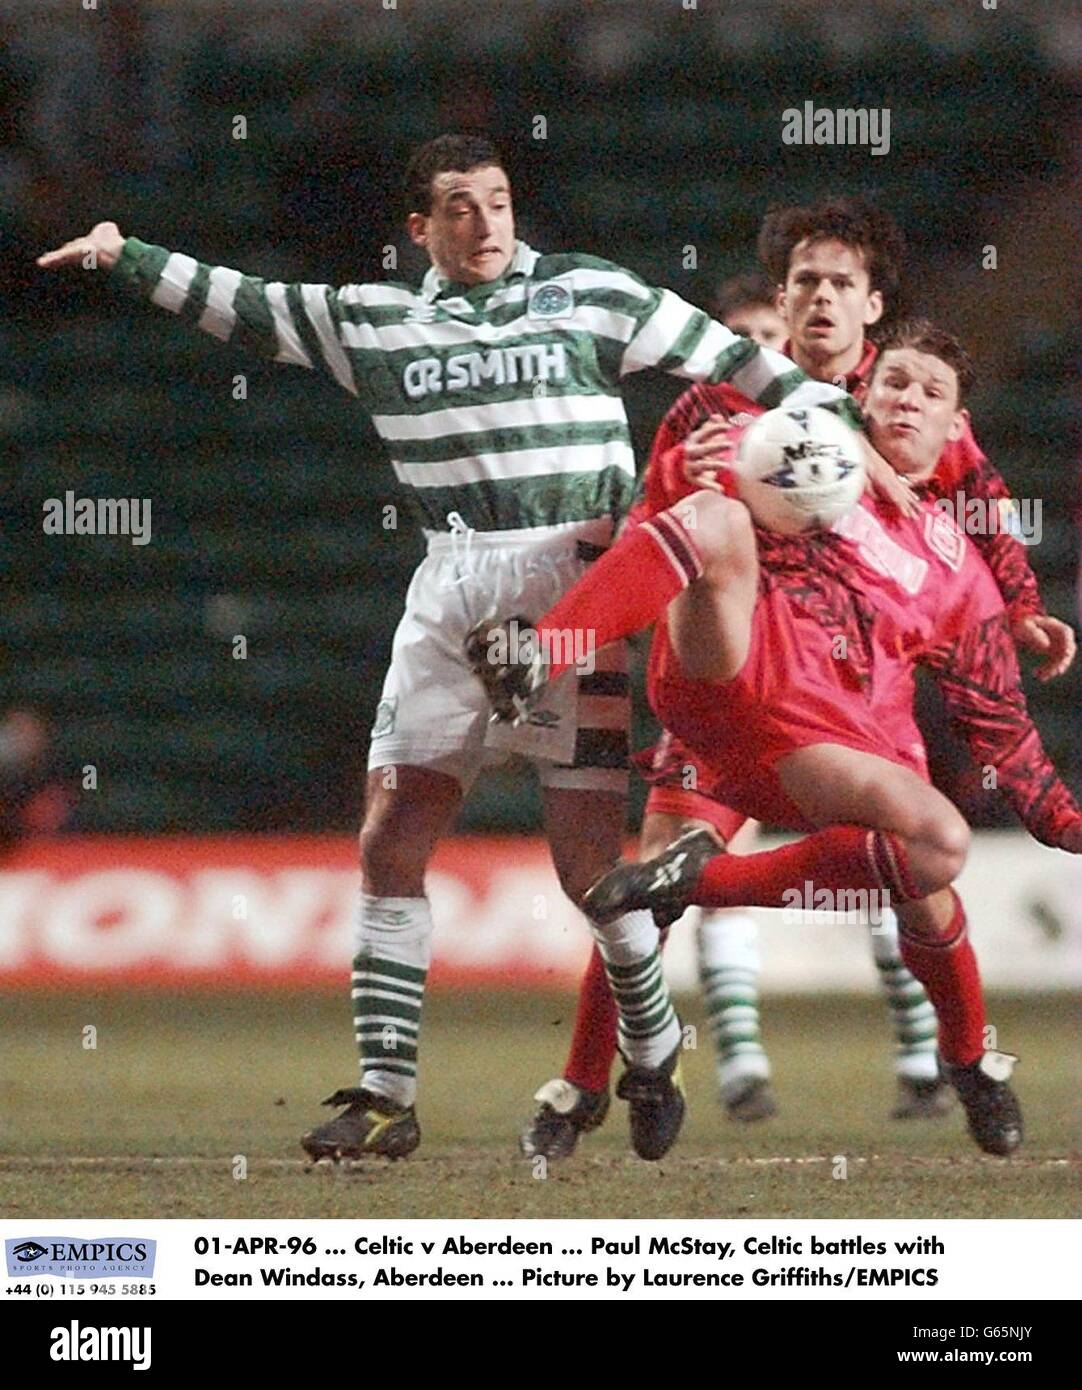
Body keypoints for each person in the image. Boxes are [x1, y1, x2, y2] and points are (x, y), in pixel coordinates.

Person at [38, 133, 875, 1163]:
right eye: (459, 207)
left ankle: (651, 1046)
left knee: (584, 868)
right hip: (450, 585)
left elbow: (741, 361)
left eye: (498, 201)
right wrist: (128, 255)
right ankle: (385, 1094)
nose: (485, 223)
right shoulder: (375, 320)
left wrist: (831, 420)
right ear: (418, 228)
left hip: (578, 579)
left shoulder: (588, 293)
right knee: (391, 833)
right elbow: (252, 307)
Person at [519, 198, 1076, 1160]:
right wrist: (681, 483)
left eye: (840, 284)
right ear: (781, 298)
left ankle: (970, 1059)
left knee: (924, 888)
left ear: (872, 307)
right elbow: (660, 534)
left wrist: (1017, 604)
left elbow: (980, 499)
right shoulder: (714, 406)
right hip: (738, 676)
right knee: (644, 888)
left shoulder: (904, 400)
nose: (819, 300)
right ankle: (585, 1084)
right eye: (804, 283)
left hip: (863, 698)